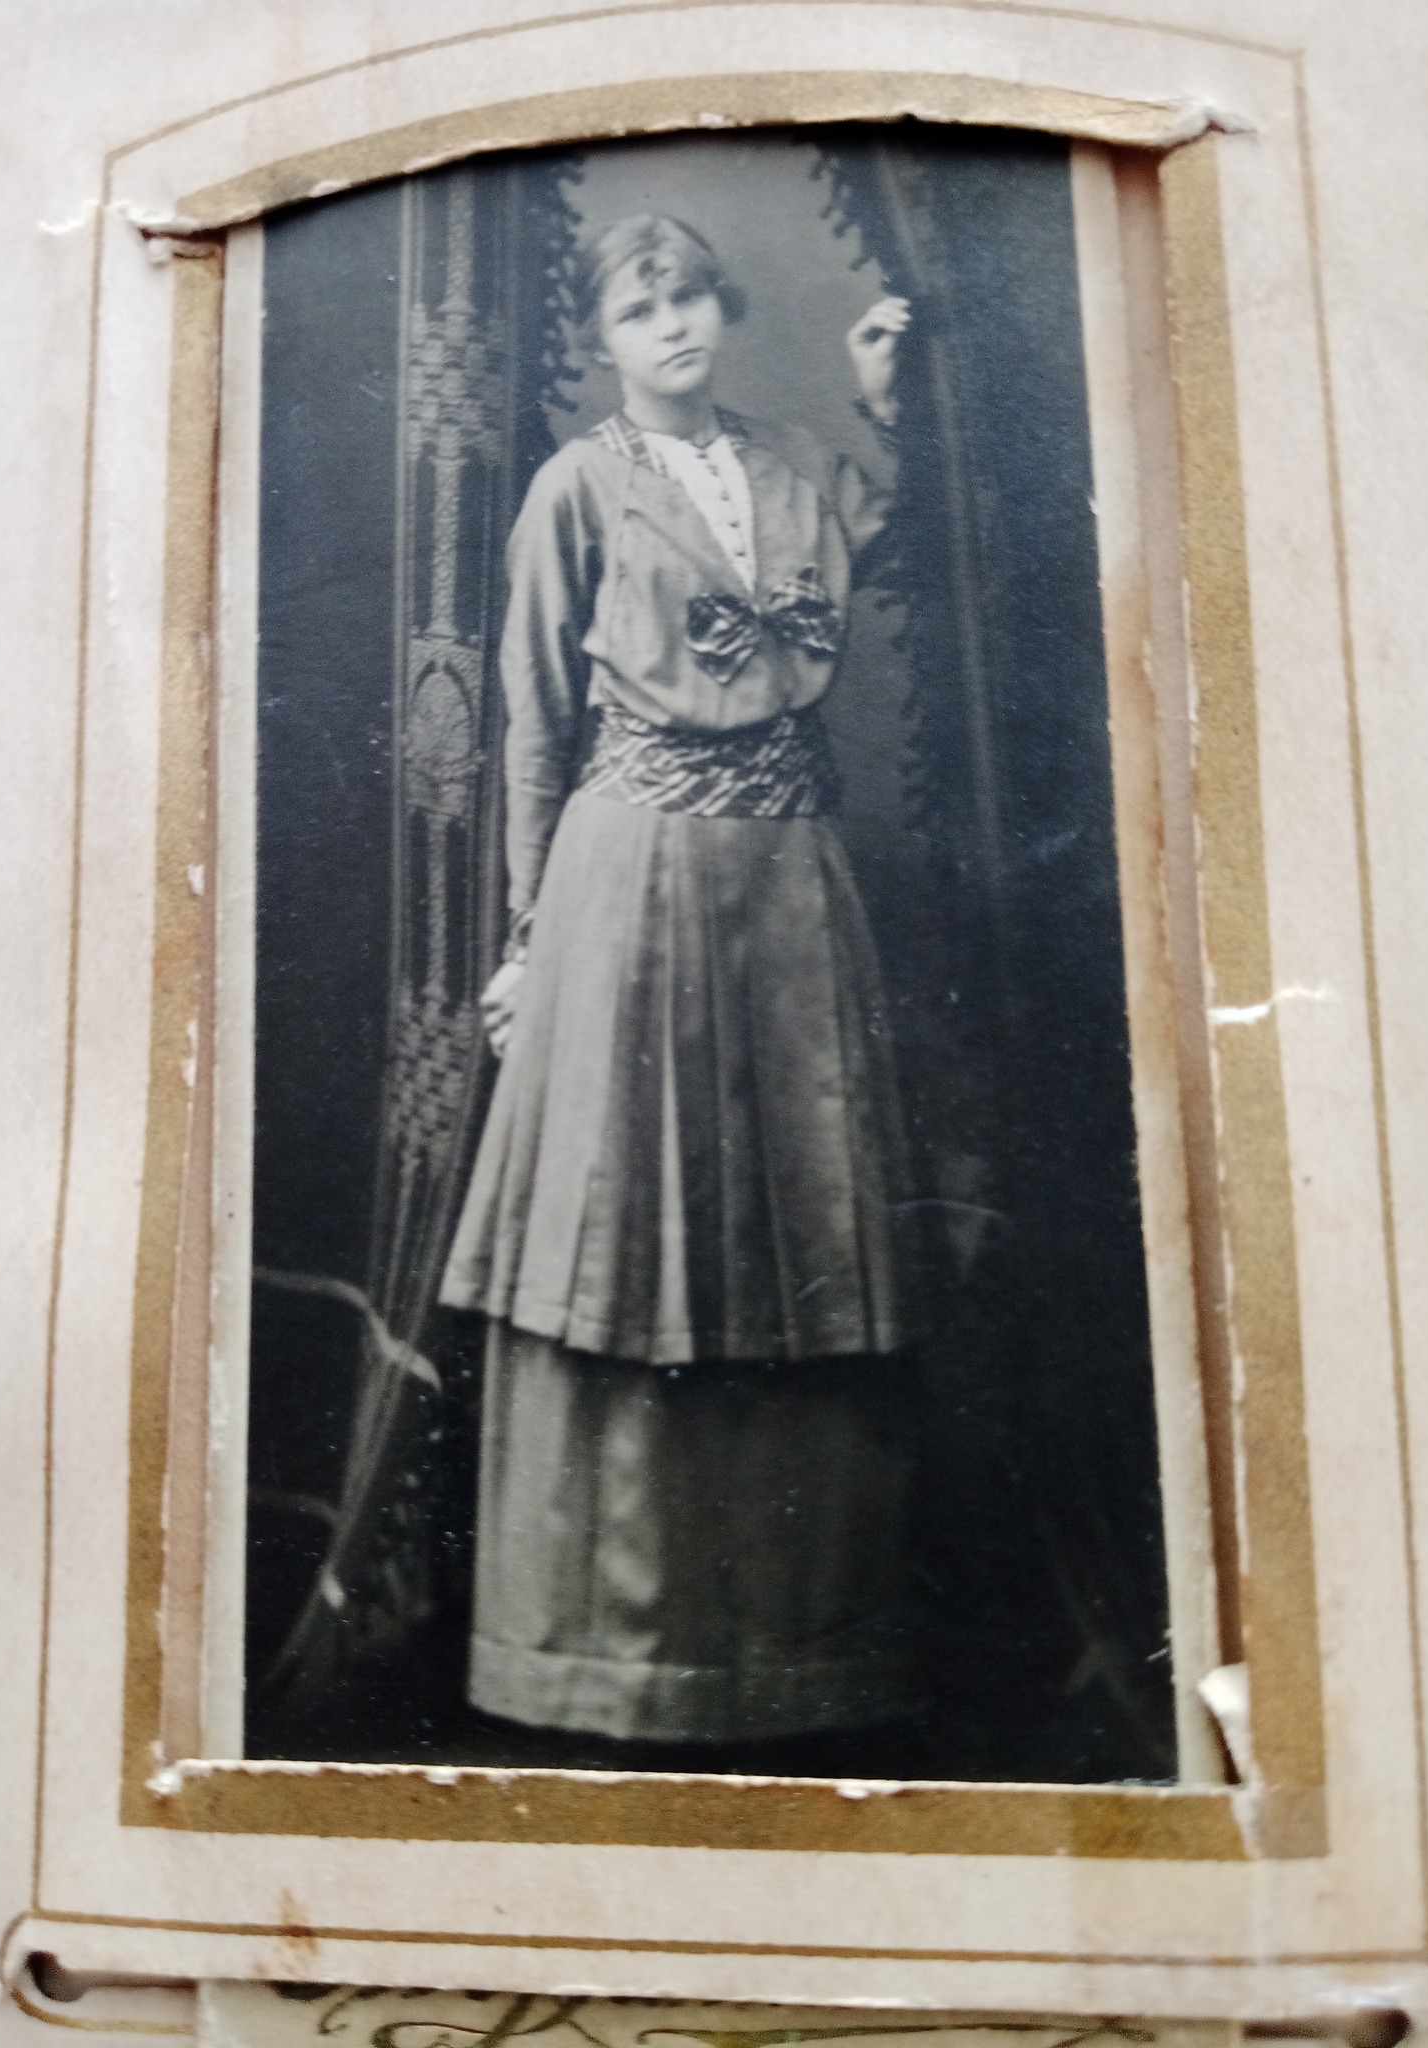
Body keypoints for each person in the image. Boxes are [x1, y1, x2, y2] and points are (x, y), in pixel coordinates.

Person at [440, 213, 921, 1748]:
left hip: (790, 881)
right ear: (602, 338)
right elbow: (532, 721)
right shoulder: (576, 490)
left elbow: (868, 530)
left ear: (725, 307)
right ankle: (600, 1656)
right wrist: (527, 941)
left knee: (800, 1223)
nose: (676, 328)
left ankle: (790, 1652)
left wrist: (881, 400)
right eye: (643, 310)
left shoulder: (789, 463)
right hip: (629, 884)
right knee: (631, 1232)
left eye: (695, 299)